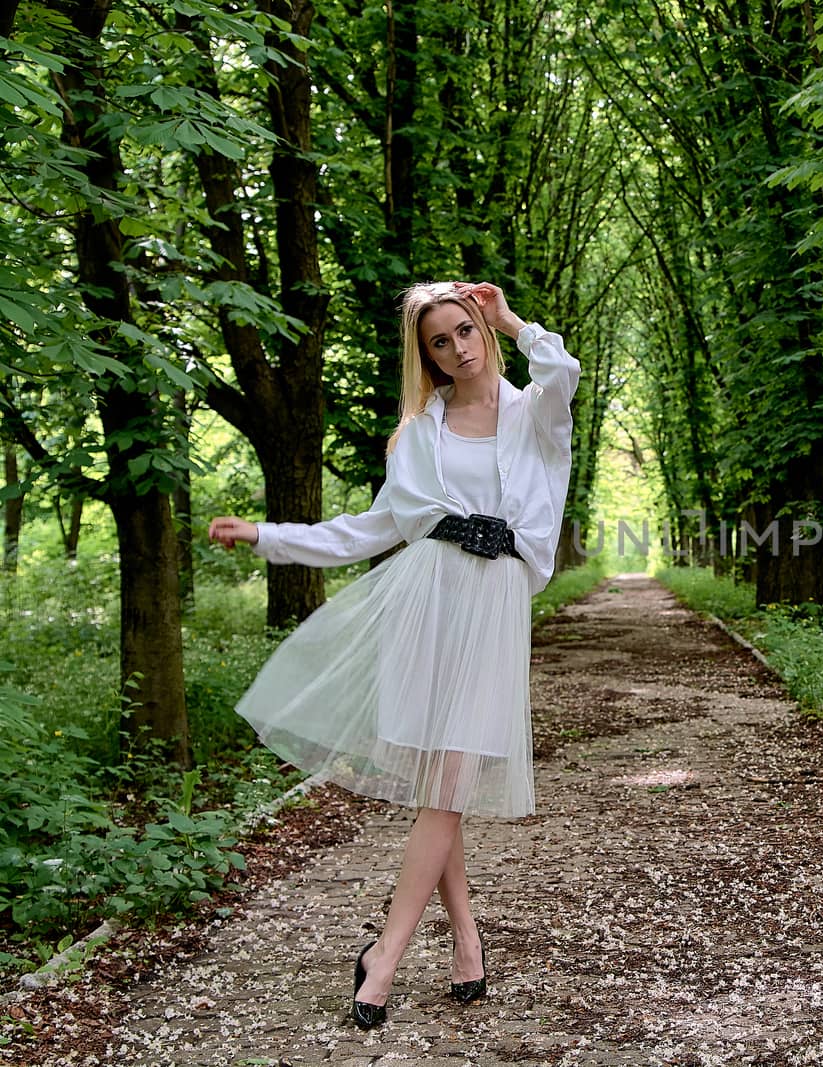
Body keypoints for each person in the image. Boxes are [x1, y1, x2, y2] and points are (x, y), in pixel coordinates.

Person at [209, 280, 579, 1029]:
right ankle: (468, 942)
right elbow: (368, 528)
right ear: (426, 356)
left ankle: (385, 954)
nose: (459, 349)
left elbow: (563, 372)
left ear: (486, 327)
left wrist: (514, 320)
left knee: (448, 785)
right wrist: (268, 535)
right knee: (438, 792)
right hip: (428, 604)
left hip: (494, 610)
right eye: (439, 341)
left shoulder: (533, 412)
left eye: (467, 330)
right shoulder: (418, 434)